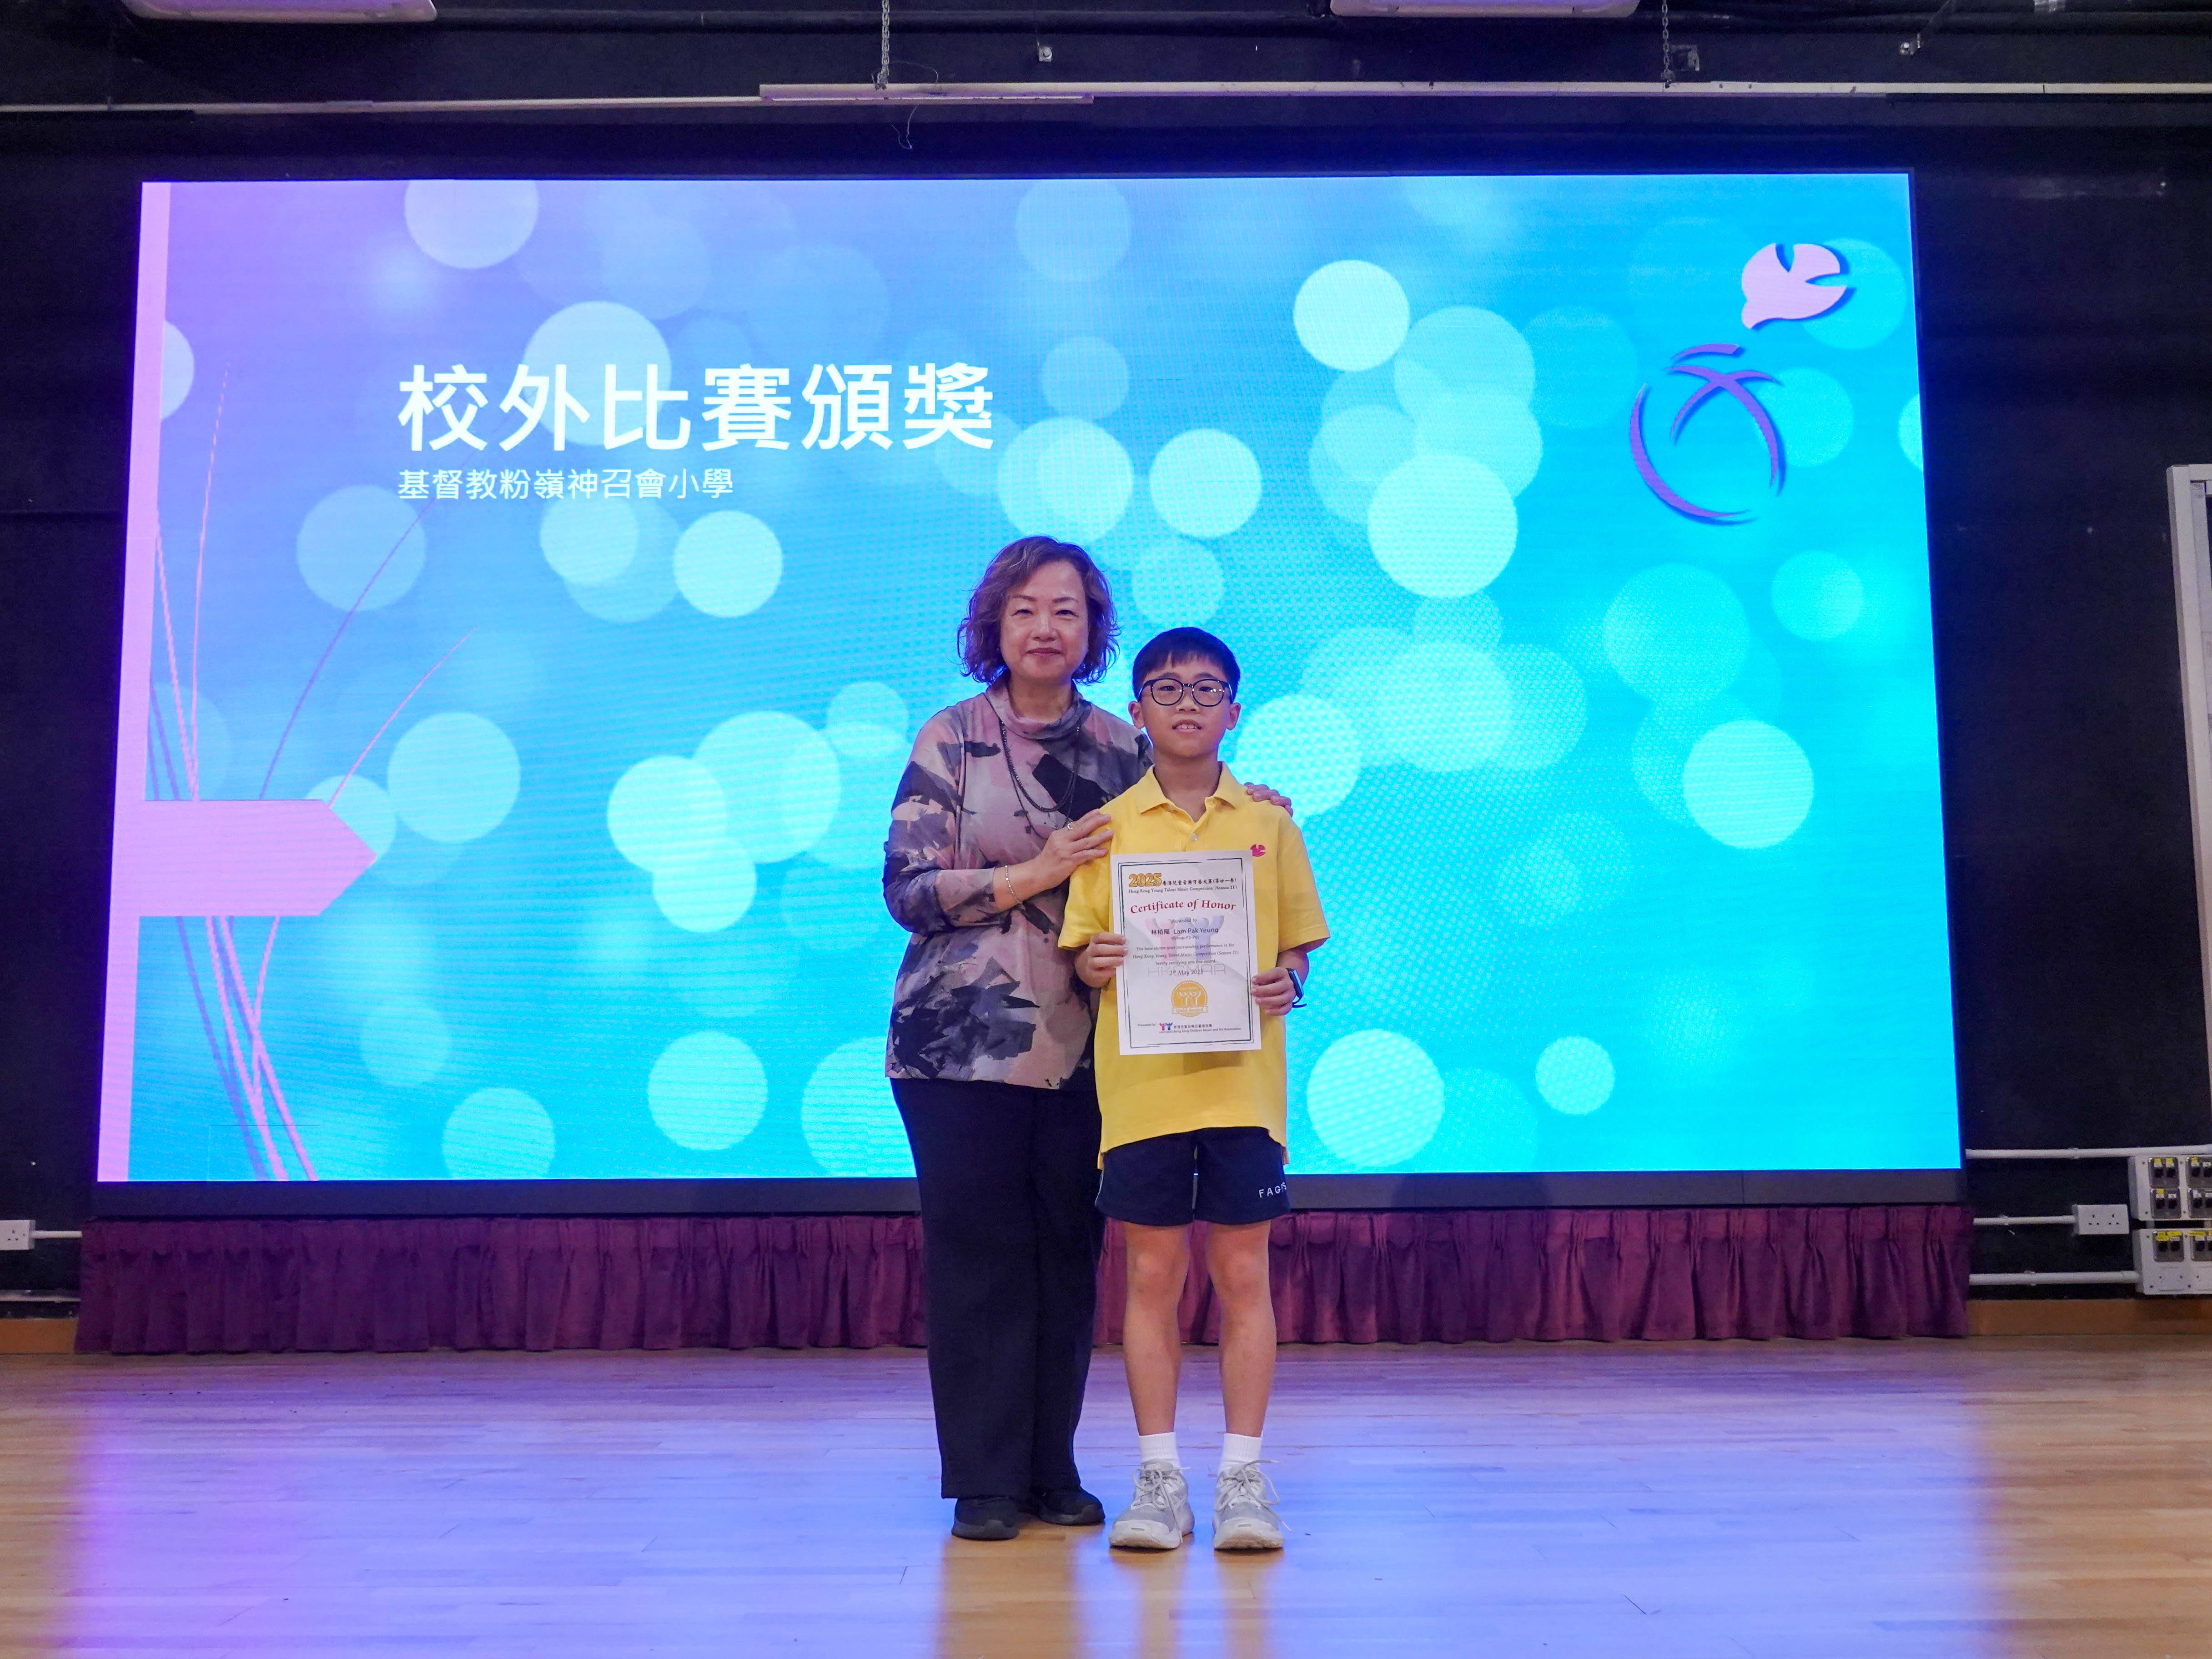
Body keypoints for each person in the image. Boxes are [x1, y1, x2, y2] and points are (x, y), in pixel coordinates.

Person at [881, 539, 1295, 1544]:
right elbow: (908, 890)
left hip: (1094, 1046)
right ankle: (983, 1480)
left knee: (1070, 1256)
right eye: (1025, 608)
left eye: (1066, 610)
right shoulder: (951, 737)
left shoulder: (1121, 743)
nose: (1045, 628)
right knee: (979, 1258)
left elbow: (1198, 824)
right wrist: (1041, 869)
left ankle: (1049, 1470)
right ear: (995, 622)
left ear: (1092, 631)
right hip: (959, 1048)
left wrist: (1264, 813)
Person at [1059, 627, 1329, 1554]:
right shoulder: (1106, 831)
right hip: (1144, 1095)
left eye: (1206, 688)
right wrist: (1095, 961)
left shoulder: (1269, 824)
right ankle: (1159, 1479)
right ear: (1136, 711)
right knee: (1150, 1277)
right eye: (1166, 689)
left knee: (1243, 1275)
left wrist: (1288, 977)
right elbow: (1085, 952)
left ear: (1234, 711)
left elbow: (1296, 951)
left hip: (1242, 1092)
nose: (1186, 703)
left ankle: (1243, 1479)